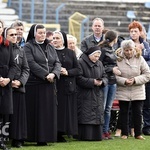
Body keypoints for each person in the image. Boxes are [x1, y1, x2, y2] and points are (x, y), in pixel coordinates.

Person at [24, 24, 61, 145]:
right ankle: (33, 137)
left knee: (47, 112)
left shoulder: (50, 47)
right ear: (34, 33)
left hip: (49, 84)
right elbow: (31, 63)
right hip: (35, 84)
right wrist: (46, 75)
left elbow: (57, 62)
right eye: (40, 33)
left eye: (44, 33)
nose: (42, 35)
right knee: (35, 112)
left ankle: (44, 138)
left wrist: (54, 74)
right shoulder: (28, 46)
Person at [115, 39, 150, 140]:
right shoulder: (118, 59)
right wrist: (124, 81)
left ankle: (138, 134)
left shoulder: (140, 58)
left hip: (138, 89)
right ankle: (124, 133)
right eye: (126, 50)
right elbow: (114, 75)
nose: (129, 52)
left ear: (133, 49)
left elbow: (147, 74)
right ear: (123, 50)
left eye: (130, 49)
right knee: (123, 112)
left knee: (138, 112)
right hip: (123, 89)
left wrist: (135, 80)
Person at [53, 31, 80, 142]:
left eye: (57, 38)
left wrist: (67, 72)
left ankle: (65, 132)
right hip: (55, 85)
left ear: (63, 40)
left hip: (68, 86)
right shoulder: (50, 51)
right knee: (56, 110)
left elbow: (78, 69)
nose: (54, 40)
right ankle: (56, 133)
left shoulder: (70, 52)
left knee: (66, 111)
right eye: (53, 38)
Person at [4, 27, 29, 148]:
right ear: (5, 36)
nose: (15, 36)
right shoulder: (3, 50)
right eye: (11, 34)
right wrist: (9, 81)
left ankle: (17, 139)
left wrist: (20, 82)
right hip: (5, 86)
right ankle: (4, 137)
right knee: (5, 115)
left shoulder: (21, 50)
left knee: (18, 115)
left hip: (18, 86)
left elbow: (26, 69)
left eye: (16, 34)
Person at [76, 46, 108, 141]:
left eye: (98, 56)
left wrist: (102, 82)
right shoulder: (80, 62)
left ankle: (97, 135)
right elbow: (78, 78)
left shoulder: (100, 64)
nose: (97, 58)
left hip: (97, 93)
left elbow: (105, 76)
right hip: (84, 93)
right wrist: (92, 82)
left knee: (97, 113)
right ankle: (85, 136)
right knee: (85, 114)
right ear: (89, 55)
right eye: (95, 56)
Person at [128, 20, 150, 136]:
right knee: (131, 106)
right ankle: (130, 128)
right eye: (131, 31)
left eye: (135, 31)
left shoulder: (146, 45)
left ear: (140, 32)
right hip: (131, 78)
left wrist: (143, 64)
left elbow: (149, 59)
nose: (133, 34)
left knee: (146, 105)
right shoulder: (126, 44)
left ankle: (146, 127)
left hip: (144, 78)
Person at [98, 30, 120, 140]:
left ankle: (106, 131)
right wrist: (112, 69)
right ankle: (100, 131)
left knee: (108, 108)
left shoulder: (113, 49)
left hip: (113, 81)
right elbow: (99, 66)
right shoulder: (102, 49)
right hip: (105, 81)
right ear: (114, 39)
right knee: (102, 107)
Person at [0, 30, 16, 150]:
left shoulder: (7, 44)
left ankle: (2, 141)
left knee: (4, 113)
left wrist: (8, 79)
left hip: (6, 84)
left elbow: (13, 65)